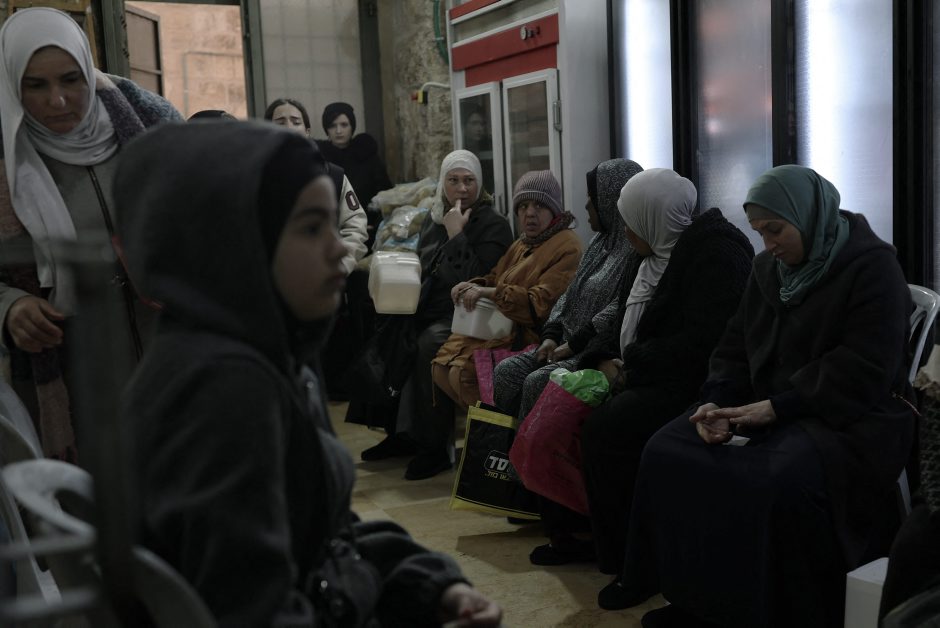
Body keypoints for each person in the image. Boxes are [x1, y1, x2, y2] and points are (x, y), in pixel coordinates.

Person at [116, 121, 502, 627]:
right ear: (240, 242)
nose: (340, 248)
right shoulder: (224, 394)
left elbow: (322, 529)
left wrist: (430, 582)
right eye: (311, 228)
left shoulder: (263, 353)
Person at [600, 165, 916, 628]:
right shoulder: (770, 269)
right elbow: (734, 345)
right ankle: (695, 600)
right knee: (669, 450)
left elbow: (865, 367)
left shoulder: (872, 268)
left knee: (771, 478)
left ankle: (764, 611)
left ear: (808, 216)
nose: (768, 243)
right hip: (770, 402)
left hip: (848, 414)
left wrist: (777, 407)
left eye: (776, 229)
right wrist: (715, 400)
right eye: (760, 232)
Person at [526, 169, 753, 571]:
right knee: (553, 411)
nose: (627, 231)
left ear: (653, 217)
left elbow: (705, 343)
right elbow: (617, 320)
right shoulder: (647, 255)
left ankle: (625, 555)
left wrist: (628, 367)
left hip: (689, 383)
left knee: (605, 428)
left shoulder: (717, 256)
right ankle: (574, 533)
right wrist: (599, 358)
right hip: (641, 371)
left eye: (632, 221)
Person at [0, 7, 181, 461]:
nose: (58, 101)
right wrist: (10, 306)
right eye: (35, 85)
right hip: (72, 370)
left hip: (169, 350)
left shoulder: (152, 123)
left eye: (71, 79)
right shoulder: (4, 156)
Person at [408, 171, 583, 480]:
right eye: (523, 206)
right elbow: (494, 276)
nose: (530, 214)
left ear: (554, 209)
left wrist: (489, 292)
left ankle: (502, 446)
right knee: (441, 368)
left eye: (539, 206)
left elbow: (540, 305)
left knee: (463, 374)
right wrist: (471, 285)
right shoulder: (523, 243)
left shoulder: (566, 245)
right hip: (500, 330)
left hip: (531, 338)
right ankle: (491, 442)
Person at [355, 149, 513, 463]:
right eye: (453, 180)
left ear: (479, 184)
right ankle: (397, 433)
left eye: (469, 181)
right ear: (443, 183)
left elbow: (477, 279)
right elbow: (426, 267)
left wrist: (457, 235)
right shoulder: (435, 217)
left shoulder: (493, 224)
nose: (462, 188)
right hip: (429, 306)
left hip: (468, 313)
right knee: (386, 331)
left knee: (425, 343)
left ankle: (433, 445)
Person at [492, 158, 643, 420]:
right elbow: (569, 293)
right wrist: (551, 335)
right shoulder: (598, 243)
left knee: (538, 382)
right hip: (561, 341)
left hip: (589, 352)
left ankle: (531, 446)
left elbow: (615, 311)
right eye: (524, 206)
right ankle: (508, 442)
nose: (586, 205)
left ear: (611, 201)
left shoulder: (634, 251)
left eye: (593, 198)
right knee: (506, 372)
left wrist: (572, 344)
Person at [317, 101, 393, 220]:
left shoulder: (366, 154)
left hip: (367, 223)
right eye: (332, 126)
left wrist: (373, 222)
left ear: (352, 127)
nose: (338, 131)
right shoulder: (319, 158)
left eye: (344, 125)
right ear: (327, 129)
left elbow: (385, 195)